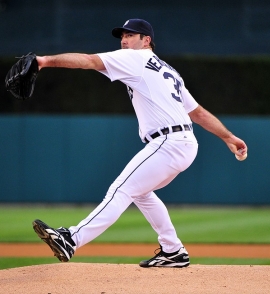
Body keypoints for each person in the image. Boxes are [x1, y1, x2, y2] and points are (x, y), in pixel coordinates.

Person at [32, 18, 247, 268]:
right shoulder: (170, 72)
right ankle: (173, 250)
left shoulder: (136, 58)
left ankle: (71, 239)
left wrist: (44, 61)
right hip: (184, 143)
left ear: (147, 41)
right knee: (141, 193)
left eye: (131, 35)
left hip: (168, 142)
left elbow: (88, 61)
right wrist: (228, 137)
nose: (124, 40)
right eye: (122, 35)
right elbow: (197, 113)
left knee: (121, 189)